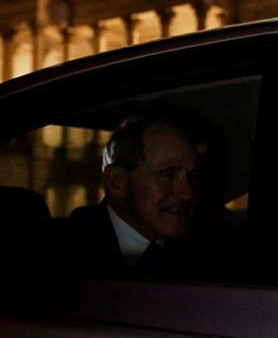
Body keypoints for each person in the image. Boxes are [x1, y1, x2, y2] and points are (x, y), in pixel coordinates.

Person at [65, 114, 199, 277]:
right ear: (117, 182)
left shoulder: (207, 250)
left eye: (192, 177)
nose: (188, 193)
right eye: (169, 175)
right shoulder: (60, 253)